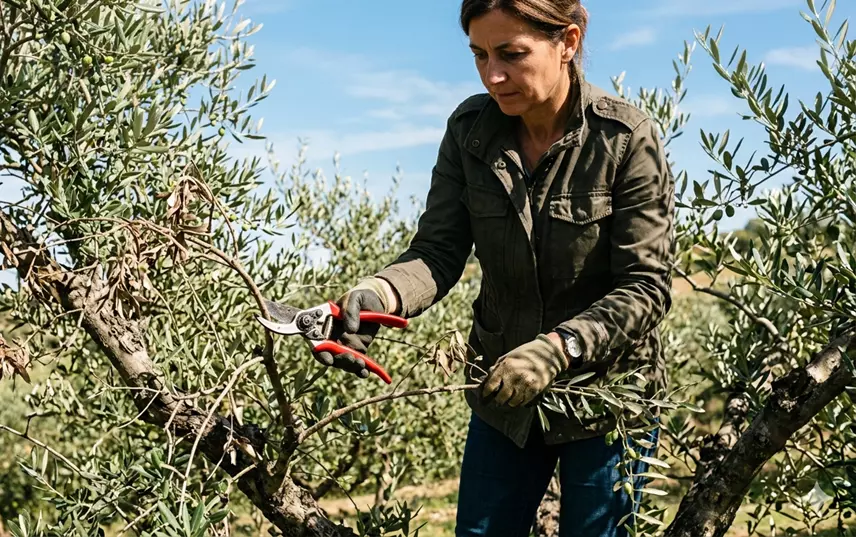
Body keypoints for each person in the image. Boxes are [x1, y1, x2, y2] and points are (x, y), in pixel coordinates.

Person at [314, 1, 675, 535]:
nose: (493, 75)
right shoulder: (469, 131)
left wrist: (560, 348)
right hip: (502, 402)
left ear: (568, 43)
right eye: (479, 55)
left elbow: (646, 287)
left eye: (511, 54)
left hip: (607, 401)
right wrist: (379, 294)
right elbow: (438, 252)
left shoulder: (622, 138)